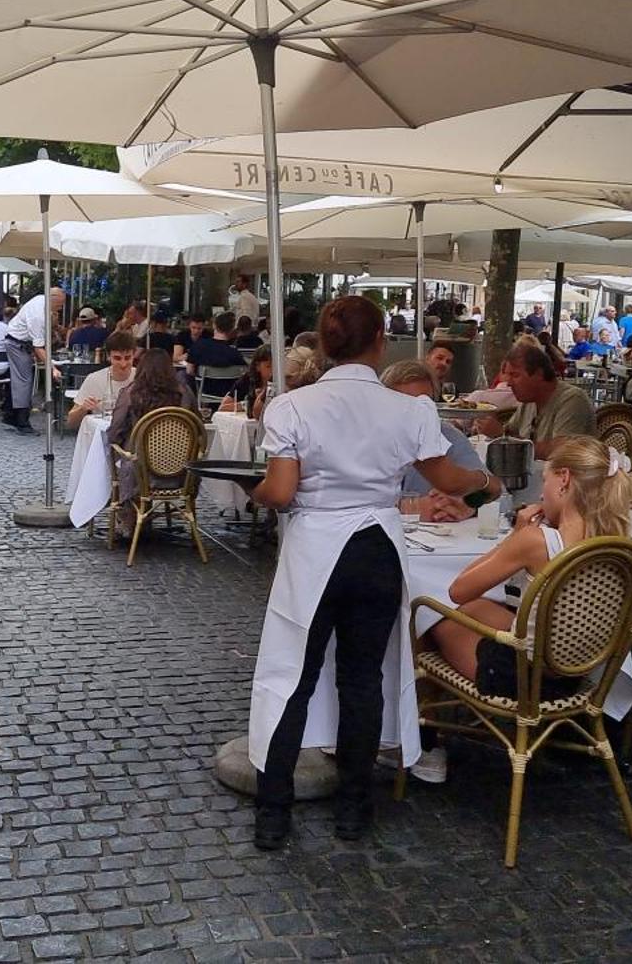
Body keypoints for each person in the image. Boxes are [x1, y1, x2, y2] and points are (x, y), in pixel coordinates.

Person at [246, 296, 491, 852]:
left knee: (290, 679)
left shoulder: (293, 406)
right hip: (378, 547)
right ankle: (354, 808)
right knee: (362, 682)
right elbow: (449, 479)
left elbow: (281, 493)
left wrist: (255, 489)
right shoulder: (408, 410)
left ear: (326, 344)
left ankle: (273, 812)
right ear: (381, 341)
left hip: (315, 549)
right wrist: (487, 484)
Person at [431, 437, 629, 698]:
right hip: (582, 669)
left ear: (564, 480)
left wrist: (516, 536)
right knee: (475, 608)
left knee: (434, 620)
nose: (540, 493)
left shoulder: (536, 541)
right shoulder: (620, 544)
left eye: (544, 481)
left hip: (525, 679)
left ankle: (423, 722)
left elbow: (458, 590)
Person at [380, 359, 501, 521]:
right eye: (405, 403)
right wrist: (408, 507)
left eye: (424, 404)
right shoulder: (367, 438)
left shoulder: (448, 436)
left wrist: (468, 504)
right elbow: (347, 502)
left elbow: (499, 496)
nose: (417, 412)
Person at [106, 349, 191, 512]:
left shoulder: (131, 394)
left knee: (122, 452)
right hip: (182, 473)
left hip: (141, 473)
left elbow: (114, 432)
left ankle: (128, 517)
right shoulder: (185, 394)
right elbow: (198, 427)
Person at [482, 342, 593, 459]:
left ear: (539, 374)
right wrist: (492, 427)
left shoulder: (572, 400)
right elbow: (512, 433)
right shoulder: (529, 401)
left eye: (515, 375)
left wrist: (502, 436)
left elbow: (561, 451)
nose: (509, 383)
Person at [4, 285, 66, 433]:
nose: (61, 308)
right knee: (24, 380)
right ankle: (22, 422)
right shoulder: (39, 315)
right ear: (53, 299)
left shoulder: (40, 300)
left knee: (20, 379)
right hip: (17, 343)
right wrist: (53, 368)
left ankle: (11, 415)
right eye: (60, 304)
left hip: (18, 341)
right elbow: (38, 347)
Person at [68, 330, 140, 429]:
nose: (123, 364)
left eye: (127, 358)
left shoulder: (141, 377)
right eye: (117, 358)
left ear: (134, 355)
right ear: (108, 357)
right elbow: (71, 422)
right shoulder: (94, 379)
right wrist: (83, 409)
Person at [184, 310, 246, 395]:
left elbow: (189, 371)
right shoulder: (235, 354)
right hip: (228, 395)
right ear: (232, 330)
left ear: (214, 325)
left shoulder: (198, 346)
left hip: (204, 393)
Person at [221, 345, 277, 421]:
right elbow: (223, 407)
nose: (274, 370)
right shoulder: (248, 379)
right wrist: (246, 405)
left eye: (277, 366)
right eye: (269, 366)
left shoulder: (284, 381)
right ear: (257, 366)